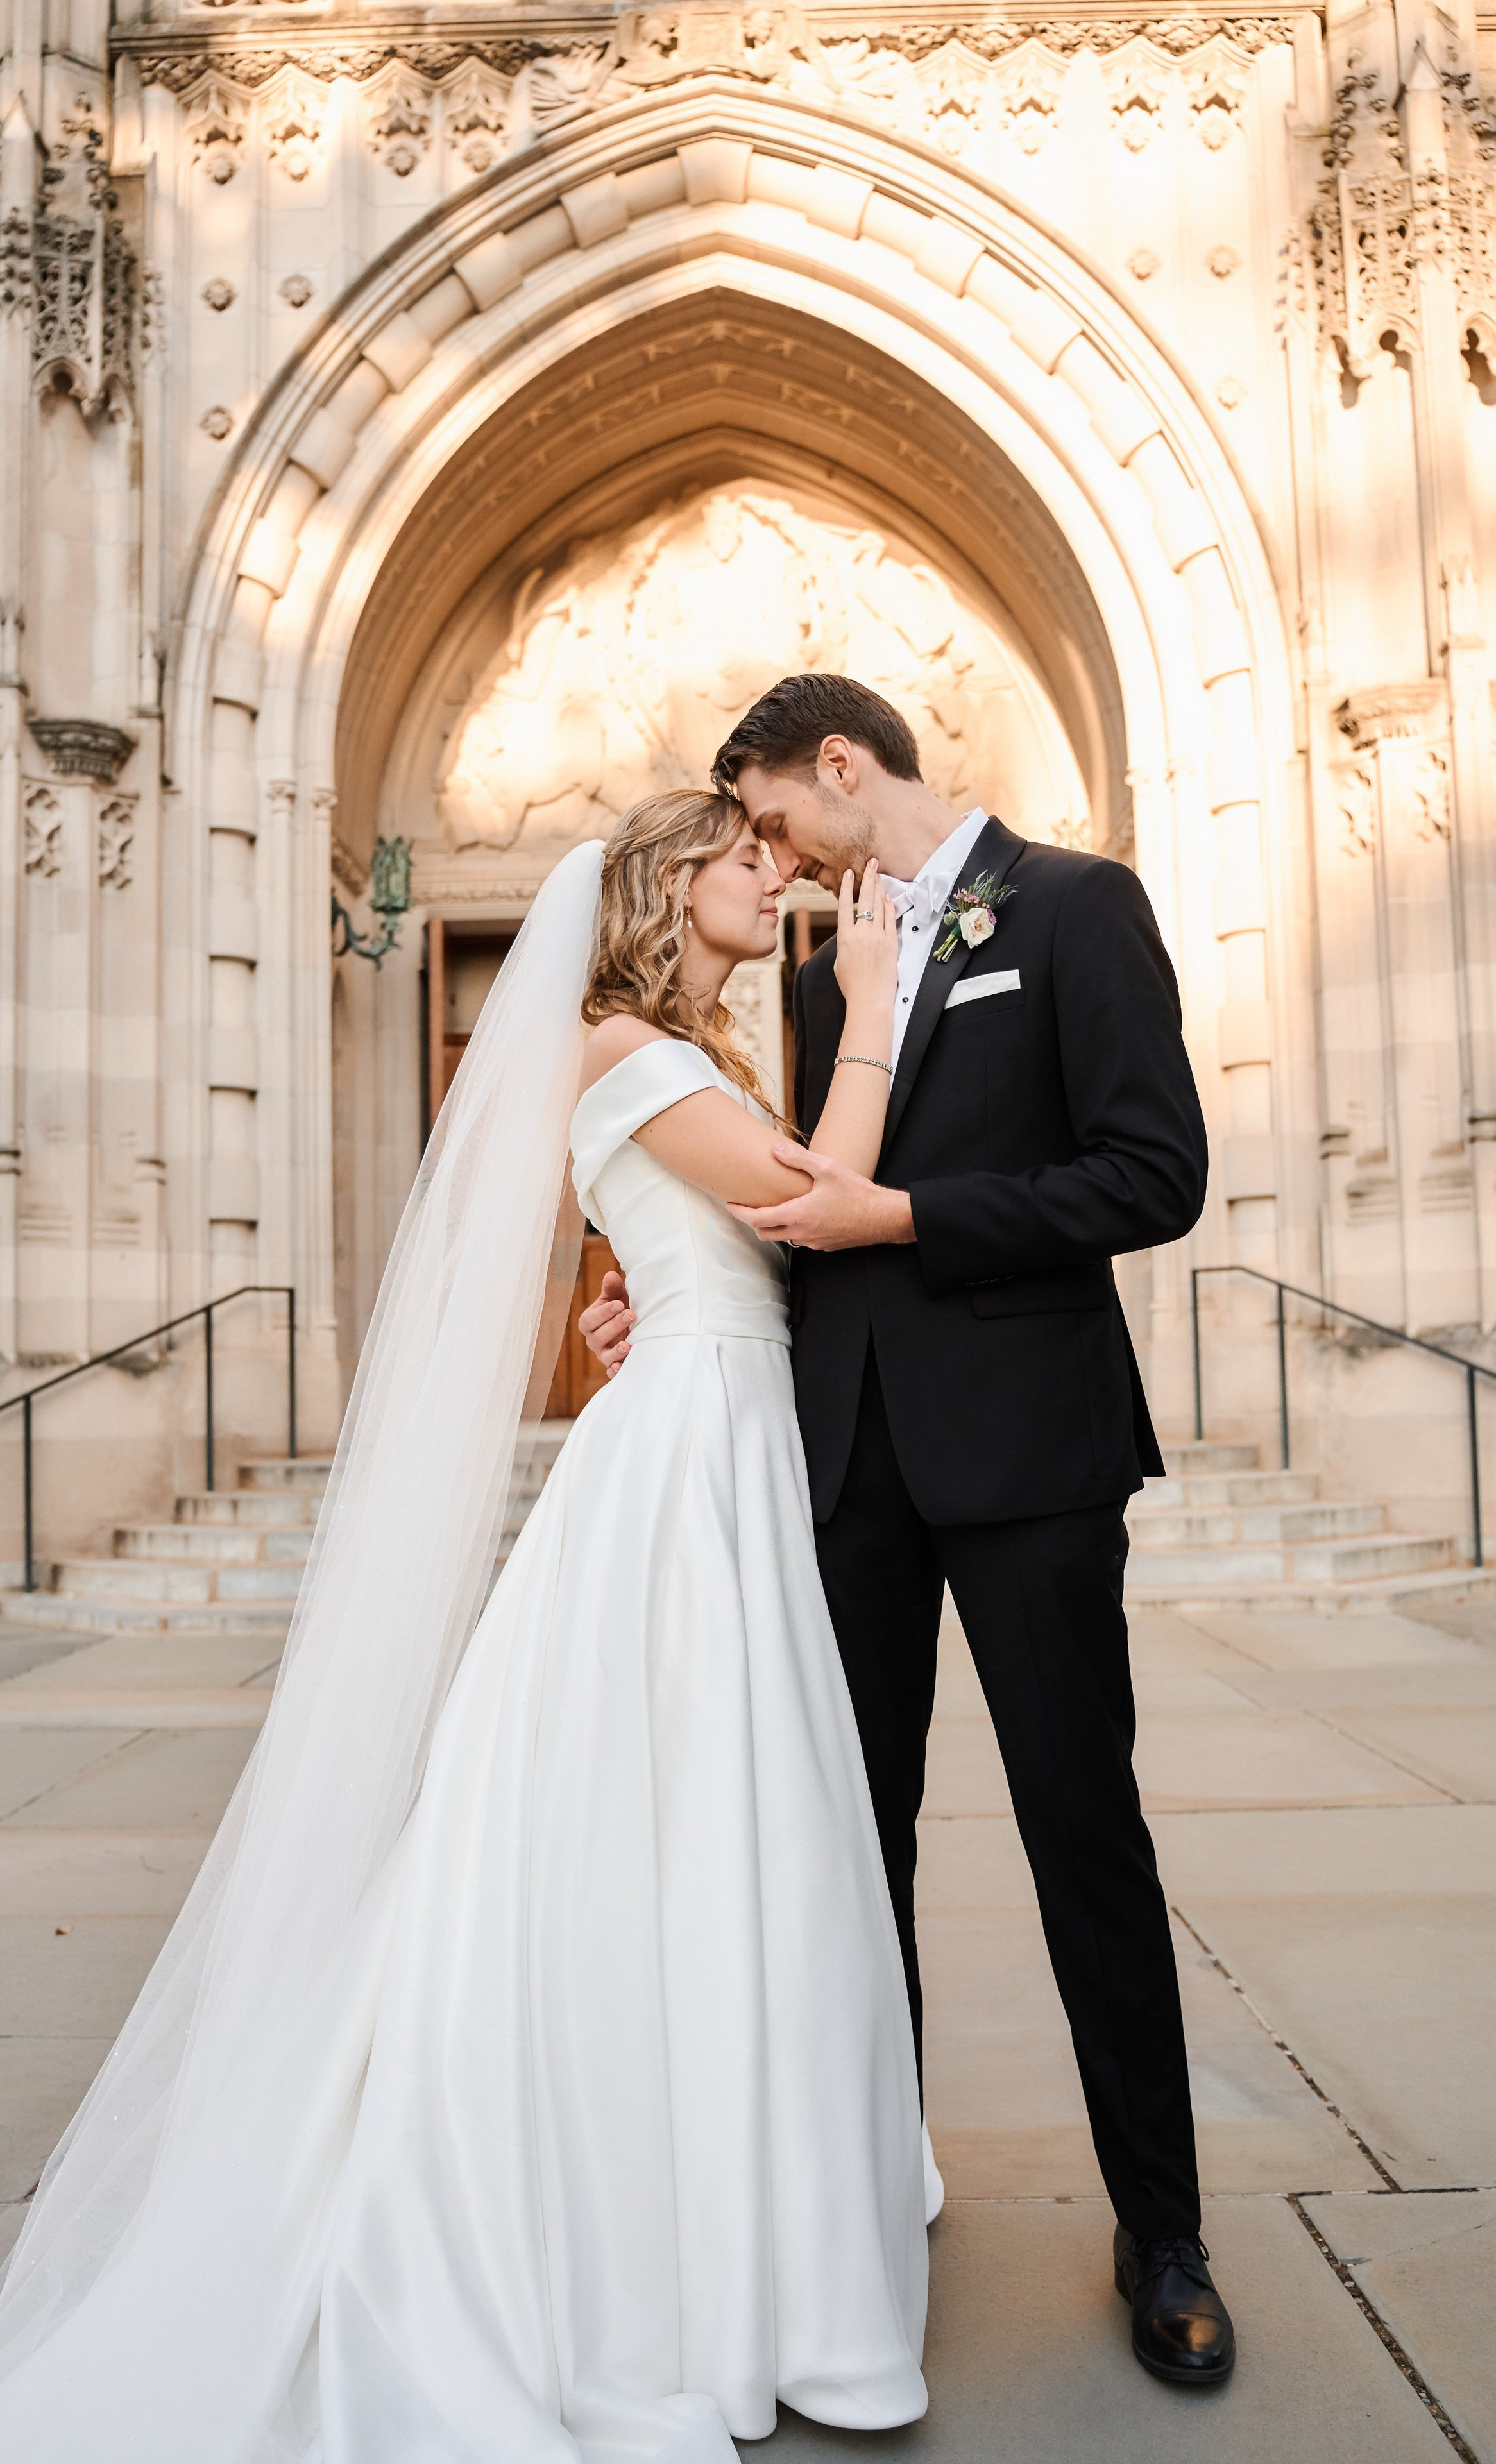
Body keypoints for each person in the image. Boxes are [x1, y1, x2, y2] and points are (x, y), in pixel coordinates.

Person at [0, 793, 931, 2464]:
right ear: (669, 887)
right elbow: (821, 1203)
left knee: (715, 1827)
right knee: (683, 1823)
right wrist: (875, 1000)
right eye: (748, 861)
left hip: (711, 1419)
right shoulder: (624, 1046)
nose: (780, 880)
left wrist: (647, 1285)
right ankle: (668, 2221)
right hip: (687, 1461)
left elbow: (721, 1245)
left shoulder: (656, 1058)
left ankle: (740, 2207)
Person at [581, 674, 1236, 2387]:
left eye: (776, 817)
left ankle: (1162, 2230)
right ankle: (871, 2194)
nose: (775, 859)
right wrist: (673, 1300)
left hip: (1030, 1459)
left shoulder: (1081, 905)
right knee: (847, 1852)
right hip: (838, 1466)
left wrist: (917, 1214)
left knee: (1085, 1833)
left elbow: (1152, 1173)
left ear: (844, 767)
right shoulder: (815, 982)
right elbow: (787, 1198)